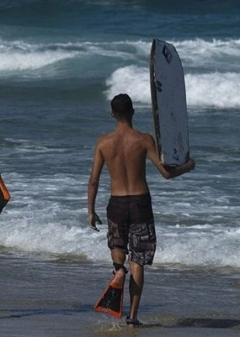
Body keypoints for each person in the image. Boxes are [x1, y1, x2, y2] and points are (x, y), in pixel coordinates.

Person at [87, 93, 195, 326]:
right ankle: (133, 316)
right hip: (140, 203)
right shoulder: (144, 140)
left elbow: (93, 181)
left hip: (116, 202)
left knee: (117, 245)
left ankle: (118, 269)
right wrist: (187, 166)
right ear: (133, 112)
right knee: (138, 259)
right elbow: (166, 173)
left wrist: (90, 210)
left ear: (112, 114)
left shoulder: (103, 142)